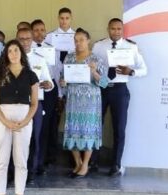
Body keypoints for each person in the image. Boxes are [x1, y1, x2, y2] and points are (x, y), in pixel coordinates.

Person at [92, 18, 147, 176]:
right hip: (102, 88)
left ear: (122, 30)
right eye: (113, 29)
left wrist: (131, 72)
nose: (116, 32)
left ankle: (116, 164)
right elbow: (92, 67)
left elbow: (144, 69)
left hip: (120, 90)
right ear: (108, 29)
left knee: (119, 128)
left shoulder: (131, 46)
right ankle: (93, 160)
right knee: (96, 126)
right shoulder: (98, 46)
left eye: (119, 29)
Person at [0, 39, 40, 195]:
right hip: (3, 117)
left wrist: (25, 121)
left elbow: (34, 103)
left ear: (21, 53)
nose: (13, 53)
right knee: (1, 160)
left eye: (16, 50)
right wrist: (6, 122)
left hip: (23, 117)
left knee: (21, 160)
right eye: (10, 51)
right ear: (6, 54)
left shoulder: (31, 75)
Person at [60, 29, 108, 179]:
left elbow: (105, 83)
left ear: (88, 41)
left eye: (81, 39)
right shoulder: (69, 58)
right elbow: (63, 79)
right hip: (73, 100)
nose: (78, 43)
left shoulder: (96, 59)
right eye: (76, 40)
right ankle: (78, 163)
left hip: (90, 102)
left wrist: (94, 72)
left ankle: (86, 164)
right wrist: (63, 82)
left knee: (88, 132)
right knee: (72, 130)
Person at [16, 27, 55, 183]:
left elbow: (49, 81)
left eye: (27, 39)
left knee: (34, 138)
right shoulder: (10, 58)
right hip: (15, 104)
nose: (24, 42)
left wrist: (48, 84)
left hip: (35, 104)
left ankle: (31, 171)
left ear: (32, 40)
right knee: (16, 139)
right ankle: (15, 171)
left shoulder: (39, 59)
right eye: (21, 39)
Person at [30, 19, 60, 172]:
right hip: (28, 94)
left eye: (42, 30)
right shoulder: (25, 50)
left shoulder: (52, 49)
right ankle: (30, 162)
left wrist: (55, 90)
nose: (39, 33)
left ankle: (40, 162)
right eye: (36, 30)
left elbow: (55, 73)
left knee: (45, 127)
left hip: (47, 92)